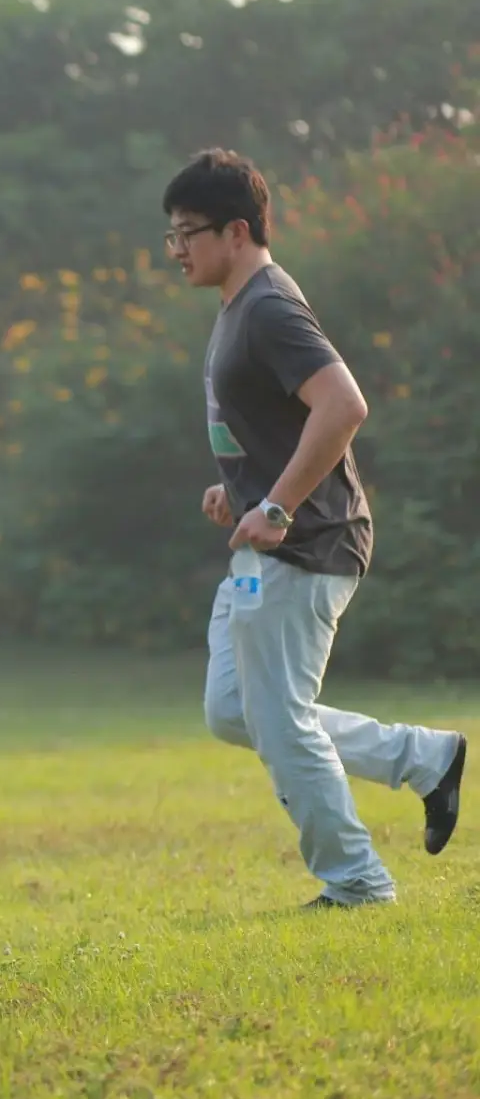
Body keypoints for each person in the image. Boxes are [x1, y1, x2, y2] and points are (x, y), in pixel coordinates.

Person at [169, 148, 465, 908]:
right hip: (266, 539)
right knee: (237, 712)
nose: (176, 251)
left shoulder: (269, 306)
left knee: (281, 720)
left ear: (236, 231)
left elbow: (343, 405)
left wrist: (276, 508)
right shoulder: (239, 306)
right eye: (170, 235)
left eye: (187, 233)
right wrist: (238, 490)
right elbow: (280, 425)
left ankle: (357, 881)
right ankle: (424, 758)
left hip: (306, 543)